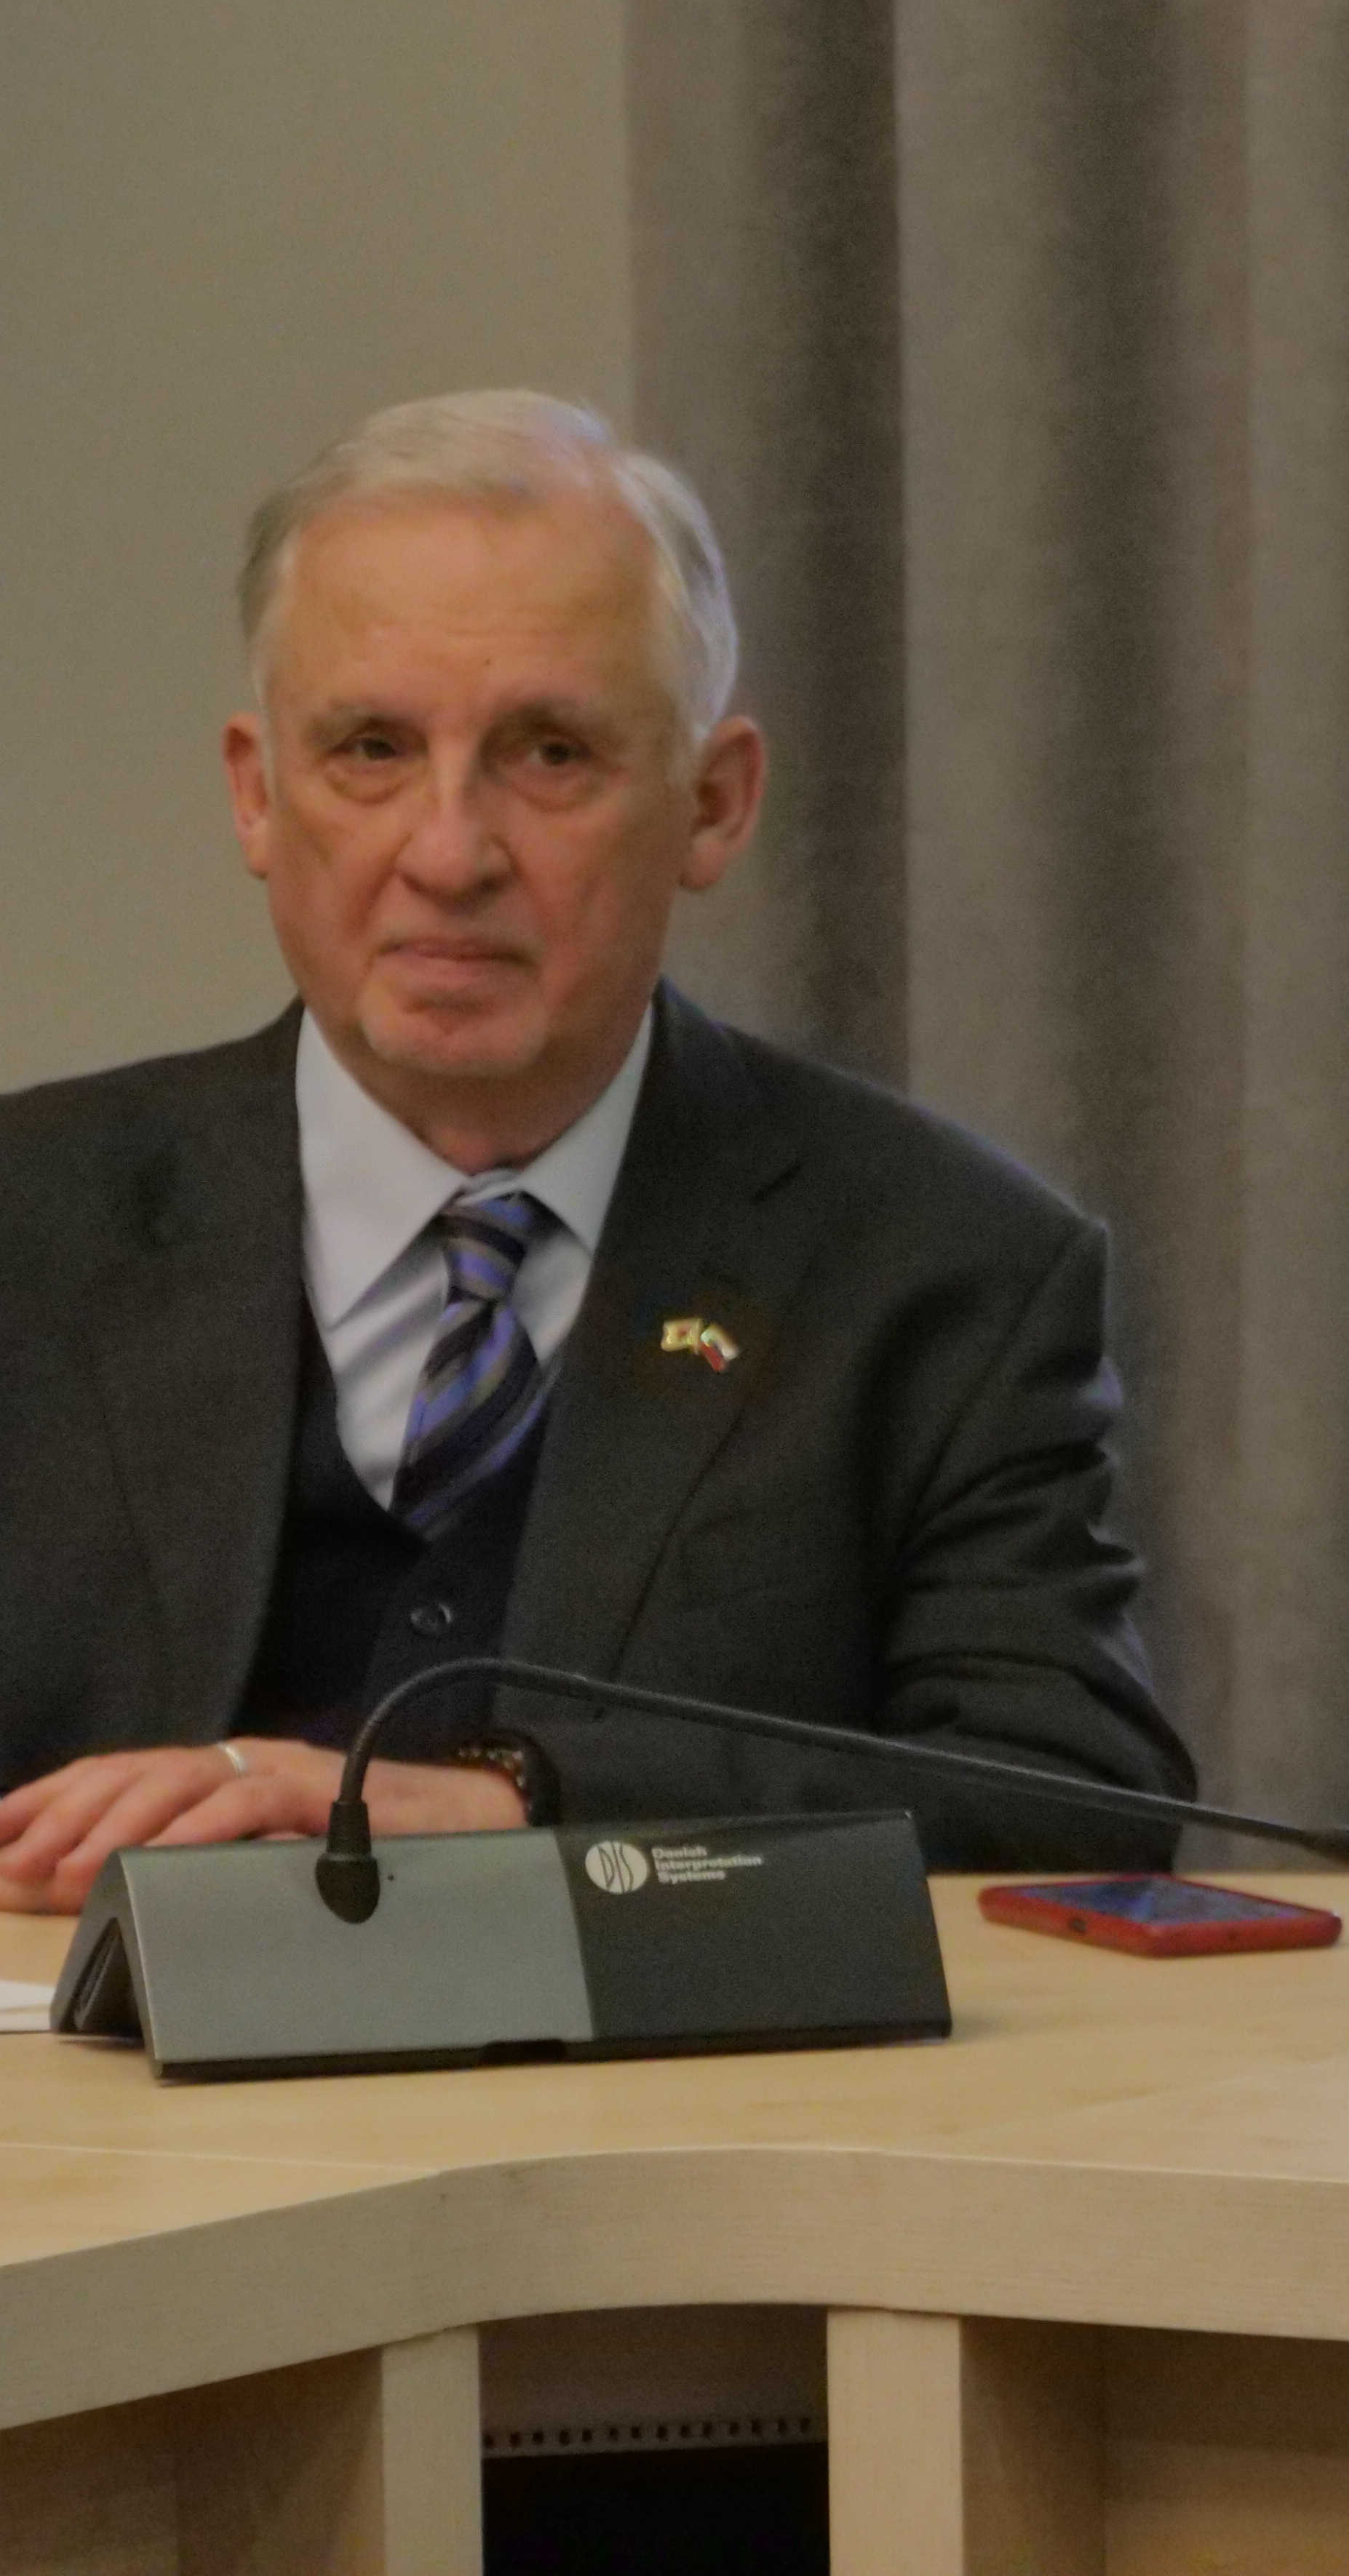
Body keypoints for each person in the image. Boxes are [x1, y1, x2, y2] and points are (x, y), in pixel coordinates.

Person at [0, 391, 1193, 1912]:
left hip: (676, 2072)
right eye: (371, 749)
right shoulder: (28, 1229)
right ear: (256, 794)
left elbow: (1069, 1805)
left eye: (551, 754)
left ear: (714, 804)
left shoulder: (945, 1272)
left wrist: (513, 1806)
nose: (450, 854)